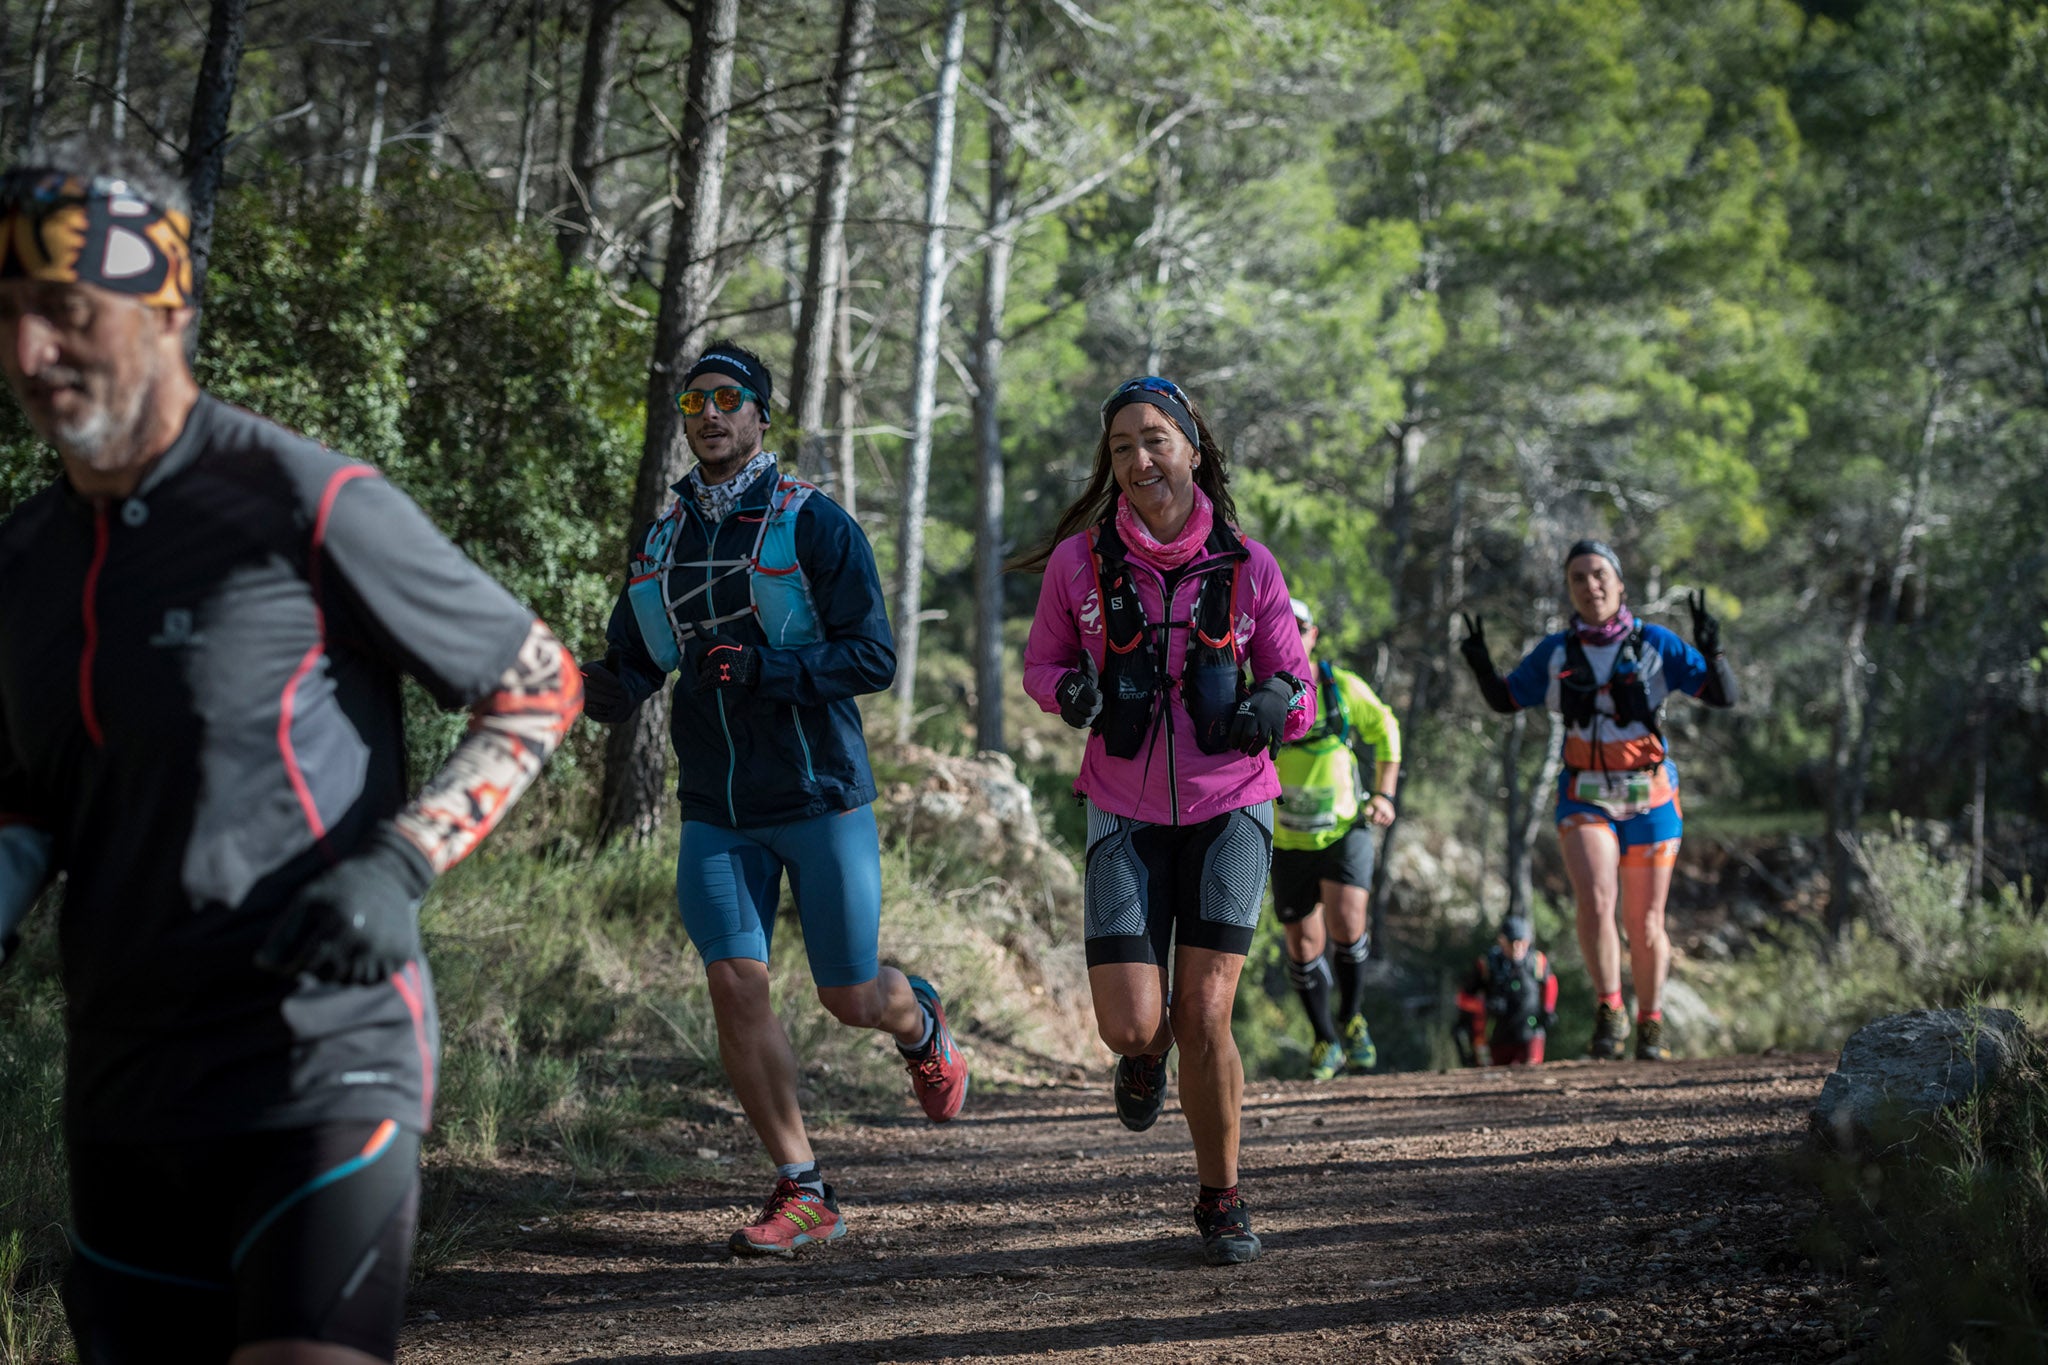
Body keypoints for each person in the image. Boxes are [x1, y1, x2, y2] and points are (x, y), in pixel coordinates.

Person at [0, 140, 581, 1365]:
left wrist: (400, 866)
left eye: (63, 316)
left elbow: (537, 685)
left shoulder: (301, 499)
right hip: (120, 1087)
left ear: (165, 311)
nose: (28, 358)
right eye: (7, 318)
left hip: (317, 1060)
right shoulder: (22, 563)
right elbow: (29, 791)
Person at [580, 340, 967, 1260]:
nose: (710, 414)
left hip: (820, 794)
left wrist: (768, 667)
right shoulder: (663, 539)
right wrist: (582, 688)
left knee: (846, 996)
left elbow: (873, 656)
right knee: (733, 984)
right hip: (715, 806)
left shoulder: (816, 523)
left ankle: (916, 1016)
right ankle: (804, 1187)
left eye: (729, 398)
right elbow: (633, 663)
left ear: (761, 415)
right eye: (695, 402)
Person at [1019, 375, 1313, 1266]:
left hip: (1232, 805)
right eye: (1120, 447)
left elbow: (1297, 685)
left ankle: (1222, 1197)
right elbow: (1042, 665)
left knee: (1205, 1014)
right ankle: (1140, 1058)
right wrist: (1069, 690)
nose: (1139, 460)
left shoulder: (1250, 564)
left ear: (1192, 448)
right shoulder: (1080, 562)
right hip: (1122, 805)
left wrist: (1270, 705)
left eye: (1155, 440)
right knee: (1134, 1024)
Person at [1458, 539, 1736, 1061]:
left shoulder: (1655, 643)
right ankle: (1610, 1009)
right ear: (1569, 590)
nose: (1591, 585)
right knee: (1597, 901)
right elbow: (1506, 699)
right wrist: (1480, 667)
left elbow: (1723, 695)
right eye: (1578, 578)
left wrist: (1712, 650)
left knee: (1645, 923)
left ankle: (1650, 1020)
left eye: (1599, 574)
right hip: (1584, 793)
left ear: (1620, 583)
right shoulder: (1556, 651)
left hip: (1651, 795)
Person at [1269, 597, 1401, 1080]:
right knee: (1303, 944)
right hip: (1286, 840)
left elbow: (1386, 728)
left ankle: (1353, 1018)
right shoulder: (1256, 686)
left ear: (1314, 633)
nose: (1291, 634)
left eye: (1299, 627)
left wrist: (1384, 795)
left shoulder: (1340, 688)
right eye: (1280, 625)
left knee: (1347, 925)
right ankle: (1325, 1038)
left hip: (1344, 831)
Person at [1453, 913, 1558, 1066]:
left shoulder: (1538, 961)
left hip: (1530, 1034)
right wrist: (1484, 1006)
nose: (1517, 947)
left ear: (1528, 941)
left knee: (1532, 1074)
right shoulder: (1487, 965)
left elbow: (1550, 983)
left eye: (1521, 942)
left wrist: (1548, 1009)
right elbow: (1462, 998)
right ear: (1501, 941)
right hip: (1495, 1038)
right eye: (1511, 942)